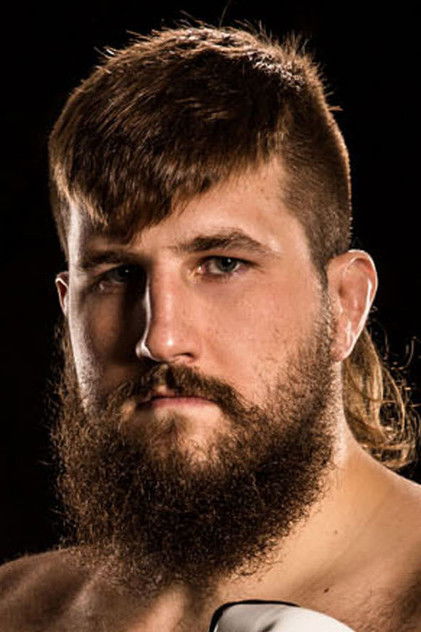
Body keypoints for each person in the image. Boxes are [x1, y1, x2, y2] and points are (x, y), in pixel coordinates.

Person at [0, 23, 419, 632]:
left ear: (344, 303)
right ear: (68, 311)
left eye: (223, 264)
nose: (160, 339)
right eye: (117, 274)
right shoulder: (17, 609)